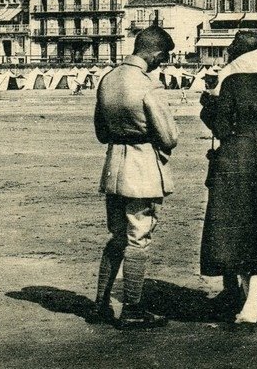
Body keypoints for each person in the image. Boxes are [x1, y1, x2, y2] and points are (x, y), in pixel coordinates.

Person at [92, 25, 179, 329]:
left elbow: (101, 132)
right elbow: (168, 137)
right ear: (155, 53)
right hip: (141, 167)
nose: (162, 63)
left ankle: (101, 304)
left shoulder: (108, 78)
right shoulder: (148, 85)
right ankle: (132, 309)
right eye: (162, 57)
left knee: (116, 236)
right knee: (138, 237)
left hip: (114, 164)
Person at [199, 31, 257, 324]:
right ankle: (252, 302)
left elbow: (221, 128)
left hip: (234, 158)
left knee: (231, 226)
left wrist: (208, 103)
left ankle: (236, 293)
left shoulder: (232, 82)